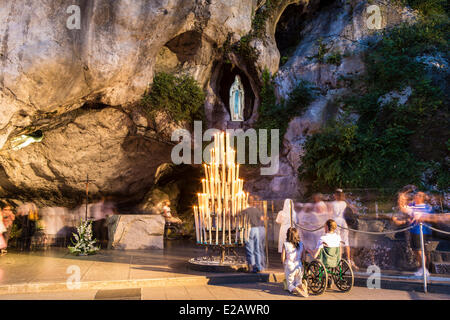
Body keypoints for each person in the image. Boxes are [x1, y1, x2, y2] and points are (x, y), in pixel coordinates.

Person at [393, 191, 434, 276]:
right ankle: (421, 268)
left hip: (421, 231)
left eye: (417, 195)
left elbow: (429, 218)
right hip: (414, 231)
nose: (415, 195)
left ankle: (425, 269)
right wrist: (401, 197)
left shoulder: (427, 207)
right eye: (415, 194)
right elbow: (403, 208)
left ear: (421, 197)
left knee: (420, 250)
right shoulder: (412, 205)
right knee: (416, 250)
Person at [329, 189, 357, 269]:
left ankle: (339, 260)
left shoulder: (333, 203)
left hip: (336, 221)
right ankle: (348, 260)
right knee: (346, 241)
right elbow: (352, 208)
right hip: (343, 221)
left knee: (338, 241)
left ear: (336, 195)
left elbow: (330, 214)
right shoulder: (344, 203)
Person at [281, 227, 308, 297]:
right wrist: (301, 264)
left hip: (290, 265)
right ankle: (301, 286)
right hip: (298, 265)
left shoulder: (285, 244)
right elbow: (304, 257)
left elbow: (283, 257)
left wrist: (284, 265)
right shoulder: (301, 244)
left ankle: (297, 290)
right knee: (298, 282)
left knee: (290, 285)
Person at [242, 195, 266, 273]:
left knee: (250, 249)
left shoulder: (245, 210)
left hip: (249, 229)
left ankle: (252, 267)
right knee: (257, 249)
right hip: (256, 229)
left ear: (247, 202)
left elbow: (239, 218)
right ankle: (259, 267)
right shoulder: (256, 210)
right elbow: (262, 218)